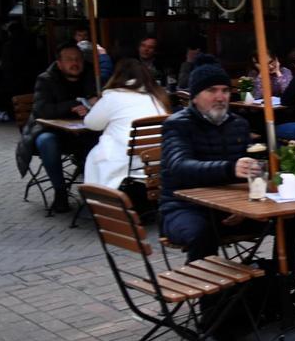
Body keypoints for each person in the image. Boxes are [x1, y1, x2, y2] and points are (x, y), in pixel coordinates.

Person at [158, 61, 266, 262]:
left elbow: (251, 172)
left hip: (230, 208)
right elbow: (179, 166)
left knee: (288, 221)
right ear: (195, 96)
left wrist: (246, 206)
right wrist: (229, 168)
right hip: (183, 207)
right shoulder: (177, 125)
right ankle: (210, 293)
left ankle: (282, 282)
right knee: (202, 233)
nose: (220, 97)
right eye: (211, 90)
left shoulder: (239, 124)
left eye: (225, 90)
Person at [16, 43, 100, 213]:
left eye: (78, 59)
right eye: (69, 60)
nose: (74, 63)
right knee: (47, 142)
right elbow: (42, 110)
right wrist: (74, 104)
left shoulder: (91, 73)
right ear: (59, 63)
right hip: (49, 130)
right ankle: (60, 193)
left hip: (81, 131)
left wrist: (90, 106)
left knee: (101, 138)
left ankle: (95, 190)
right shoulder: (46, 79)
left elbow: (94, 99)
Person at [83, 59, 170, 190]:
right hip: (156, 163)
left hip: (126, 165)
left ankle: (99, 199)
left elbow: (91, 124)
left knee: (96, 152)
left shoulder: (114, 96)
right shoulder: (157, 97)